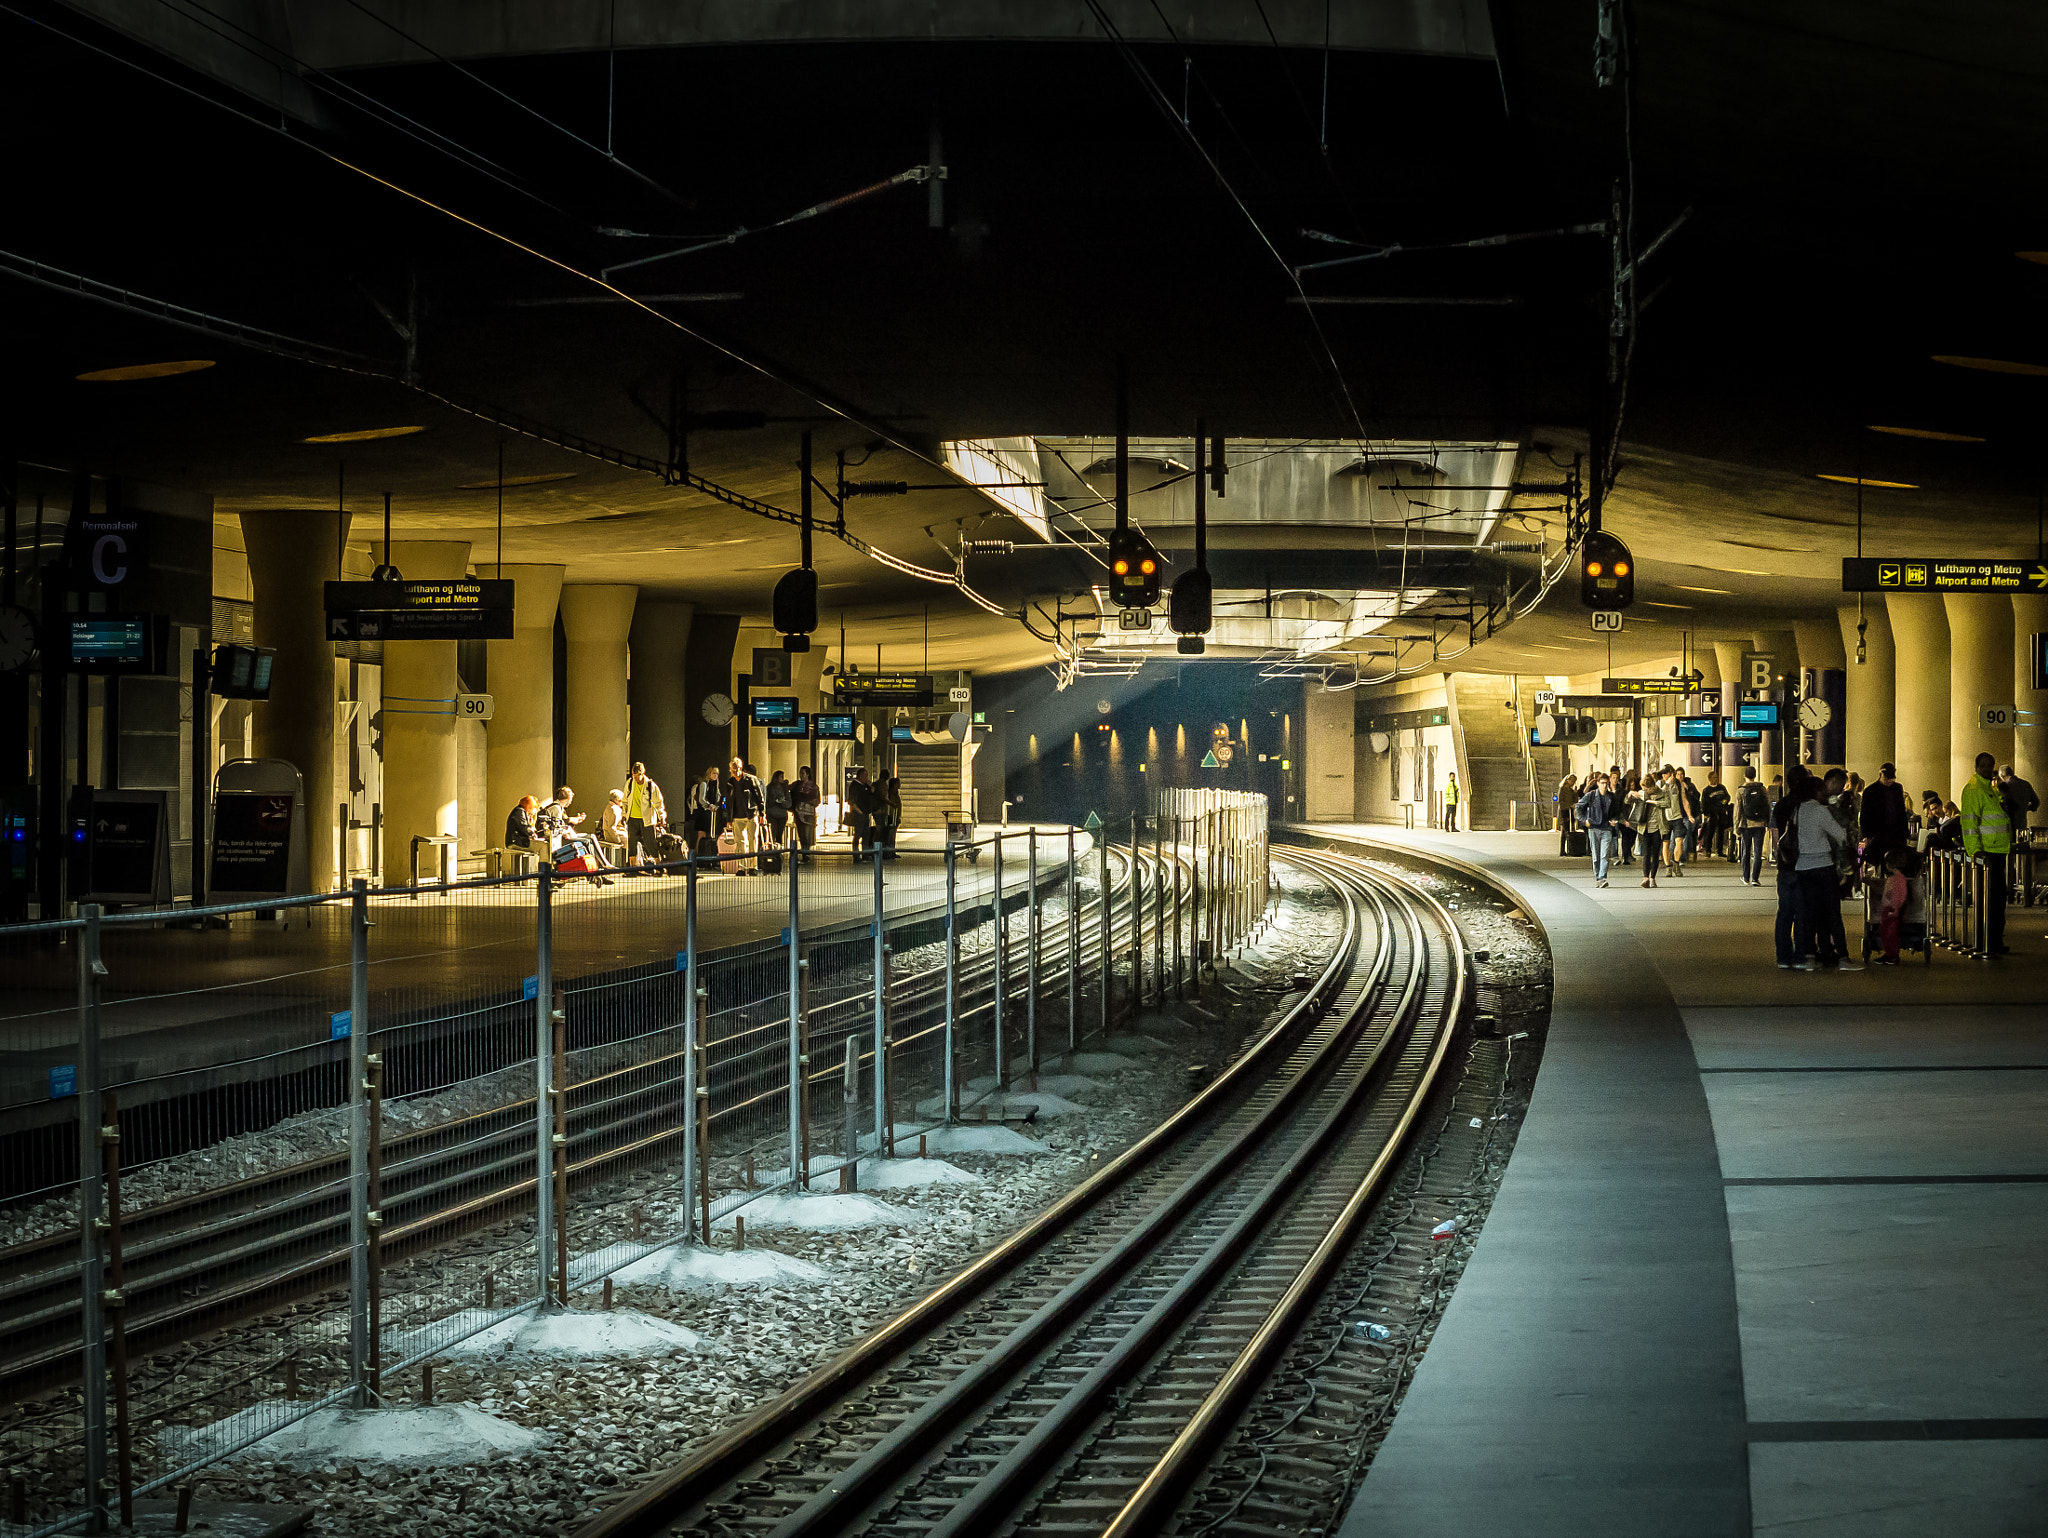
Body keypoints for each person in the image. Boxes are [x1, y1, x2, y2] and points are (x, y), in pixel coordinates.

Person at [1786, 768, 1853, 970]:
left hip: (1802, 867)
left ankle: (1808, 958)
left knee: (1808, 913)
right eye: (1822, 789)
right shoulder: (1821, 811)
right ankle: (1843, 958)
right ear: (1815, 792)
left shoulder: (1799, 810)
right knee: (1832, 913)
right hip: (1823, 866)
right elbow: (1839, 834)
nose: (1825, 793)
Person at [1961, 750, 2012, 956]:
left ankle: (1995, 941)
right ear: (1976, 767)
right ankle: (1986, 942)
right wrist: (1975, 851)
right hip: (1986, 853)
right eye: (1983, 765)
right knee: (1988, 900)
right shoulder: (1973, 789)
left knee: (1998, 899)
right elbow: (1969, 823)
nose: (1987, 769)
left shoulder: (1991, 789)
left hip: (1998, 850)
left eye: (1990, 765)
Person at [1873, 847, 1924, 965]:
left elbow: (1896, 896)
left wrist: (1895, 909)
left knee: (1889, 933)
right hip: (1892, 909)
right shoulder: (1900, 879)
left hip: (1891, 910)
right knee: (1889, 932)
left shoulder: (1894, 880)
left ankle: (1892, 955)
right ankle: (1890, 954)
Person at [1859, 763, 1911, 863]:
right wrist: (1867, 835)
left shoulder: (1897, 788)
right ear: (1880, 775)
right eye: (1887, 778)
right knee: (1880, 858)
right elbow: (1865, 815)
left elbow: (1901, 812)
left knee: (1896, 859)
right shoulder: (1870, 791)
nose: (1889, 781)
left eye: (1891, 779)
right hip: (1878, 832)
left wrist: (1904, 833)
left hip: (1895, 832)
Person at [1575, 772, 1620, 887]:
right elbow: (1578, 807)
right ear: (1598, 783)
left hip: (1607, 829)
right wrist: (1584, 820)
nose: (1604, 786)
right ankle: (1598, 877)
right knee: (1596, 855)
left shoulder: (1612, 797)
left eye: (1606, 783)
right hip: (1593, 827)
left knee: (1604, 854)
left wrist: (1614, 820)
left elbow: (1616, 812)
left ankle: (1602, 878)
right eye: (1602, 783)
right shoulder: (1591, 795)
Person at [723, 756, 765, 874]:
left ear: (741, 768)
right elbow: (728, 802)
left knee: (752, 840)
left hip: (751, 814)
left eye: (735, 769)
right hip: (737, 815)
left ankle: (753, 867)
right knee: (740, 842)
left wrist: (762, 813)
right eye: (732, 770)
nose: (734, 772)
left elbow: (759, 797)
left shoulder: (751, 780)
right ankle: (741, 867)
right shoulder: (729, 783)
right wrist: (728, 819)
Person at [1628, 770, 1668, 888]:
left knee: (1655, 854)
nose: (1645, 790)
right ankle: (1645, 878)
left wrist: (1655, 802)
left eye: (1647, 788)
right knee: (1646, 853)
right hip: (1643, 828)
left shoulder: (1661, 793)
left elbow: (1668, 803)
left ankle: (1653, 878)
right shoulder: (1641, 793)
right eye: (1643, 788)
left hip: (1657, 827)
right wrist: (1630, 795)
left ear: (1652, 786)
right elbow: (1627, 802)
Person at [624, 762, 666, 872]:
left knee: (650, 842)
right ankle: (632, 868)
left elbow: (658, 802)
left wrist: (662, 817)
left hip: (647, 819)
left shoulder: (650, 785)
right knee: (632, 843)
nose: (636, 778)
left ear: (643, 773)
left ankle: (658, 866)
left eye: (638, 775)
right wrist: (624, 815)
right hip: (632, 818)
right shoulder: (629, 783)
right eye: (634, 776)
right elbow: (625, 801)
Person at [1736, 766, 1771, 886]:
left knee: (1746, 850)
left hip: (1746, 824)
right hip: (1760, 824)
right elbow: (1767, 806)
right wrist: (1768, 822)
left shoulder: (1741, 790)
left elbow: (1737, 810)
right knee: (1758, 852)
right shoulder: (1761, 789)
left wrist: (1736, 827)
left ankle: (1746, 878)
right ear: (1755, 775)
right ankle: (1755, 878)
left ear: (1744, 776)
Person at [535, 786, 585, 852]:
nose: (571, 802)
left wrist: (574, 821)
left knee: (590, 838)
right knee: (586, 841)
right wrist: (570, 822)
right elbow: (557, 827)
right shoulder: (556, 808)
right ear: (569, 798)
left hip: (557, 837)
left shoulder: (558, 808)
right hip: (554, 839)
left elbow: (563, 823)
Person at [688, 766, 723, 858]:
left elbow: (718, 796)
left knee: (711, 834)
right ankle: (698, 855)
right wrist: (708, 805)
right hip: (703, 812)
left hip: (712, 812)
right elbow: (701, 798)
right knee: (702, 834)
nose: (715, 775)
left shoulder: (716, 785)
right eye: (713, 773)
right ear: (709, 774)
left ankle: (709, 855)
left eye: (717, 774)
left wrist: (716, 805)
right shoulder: (704, 784)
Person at [1997, 763, 2038, 839]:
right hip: (2022, 824)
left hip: (2008, 825)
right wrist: (2025, 808)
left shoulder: (2004, 787)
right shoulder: (2026, 784)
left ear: (2002, 776)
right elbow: (2036, 802)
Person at [791, 764, 821, 863]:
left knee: (807, 835)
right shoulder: (796, 785)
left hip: (808, 814)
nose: (801, 775)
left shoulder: (813, 787)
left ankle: (806, 854)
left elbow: (816, 800)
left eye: (803, 773)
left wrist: (807, 801)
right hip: (798, 813)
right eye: (800, 773)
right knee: (801, 835)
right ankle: (803, 852)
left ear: (807, 774)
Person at [1702, 769, 1733, 861]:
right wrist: (1705, 813)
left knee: (1721, 831)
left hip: (1722, 812)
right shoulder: (1707, 790)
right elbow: (1704, 802)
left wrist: (1725, 801)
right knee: (1710, 832)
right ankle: (1708, 850)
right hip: (1712, 813)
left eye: (1716, 777)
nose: (1716, 779)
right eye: (1714, 777)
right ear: (1710, 779)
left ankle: (1720, 850)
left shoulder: (1722, 788)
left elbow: (1728, 796)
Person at [846, 767, 874, 857]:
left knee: (866, 834)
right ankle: (856, 854)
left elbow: (872, 793)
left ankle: (865, 854)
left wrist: (870, 786)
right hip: (859, 814)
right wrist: (859, 811)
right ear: (860, 776)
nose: (866, 778)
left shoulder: (865, 786)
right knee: (858, 833)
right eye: (865, 776)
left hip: (866, 813)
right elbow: (851, 800)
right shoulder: (855, 786)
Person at [765, 769, 793, 853]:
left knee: (779, 834)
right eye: (781, 777)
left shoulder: (784, 788)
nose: (782, 779)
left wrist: (782, 802)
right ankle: (772, 851)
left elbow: (789, 802)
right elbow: (767, 801)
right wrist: (774, 801)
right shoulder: (769, 788)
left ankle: (779, 851)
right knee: (772, 833)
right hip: (772, 814)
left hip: (782, 815)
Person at [876, 772, 903, 857]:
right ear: (894, 784)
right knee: (890, 835)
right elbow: (891, 805)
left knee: (892, 835)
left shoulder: (895, 793)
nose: (900, 785)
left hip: (895, 816)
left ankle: (891, 851)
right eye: (898, 783)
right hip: (891, 817)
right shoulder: (891, 794)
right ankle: (889, 852)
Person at [1556, 773, 1579, 855]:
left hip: (1570, 811)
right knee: (1566, 830)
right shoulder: (1562, 789)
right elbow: (1560, 801)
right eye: (1572, 781)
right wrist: (1569, 805)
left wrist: (1575, 793)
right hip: (1564, 811)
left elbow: (1575, 800)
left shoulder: (1571, 790)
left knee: (1567, 830)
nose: (1572, 783)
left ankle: (1567, 850)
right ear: (1567, 780)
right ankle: (1564, 849)